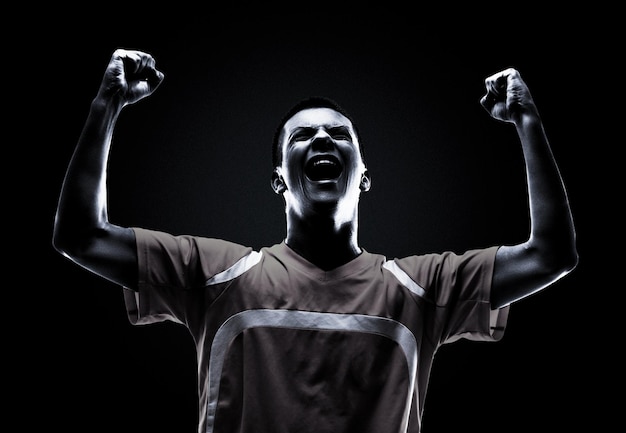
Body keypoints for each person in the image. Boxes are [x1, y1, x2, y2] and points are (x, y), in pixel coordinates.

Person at [52, 48, 578, 433]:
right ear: (279, 177)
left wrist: (527, 119)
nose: (322, 138)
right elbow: (81, 235)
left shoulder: (422, 287)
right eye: (302, 135)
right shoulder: (214, 275)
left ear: (364, 175)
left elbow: (551, 254)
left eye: (338, 133)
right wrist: (107, 103)